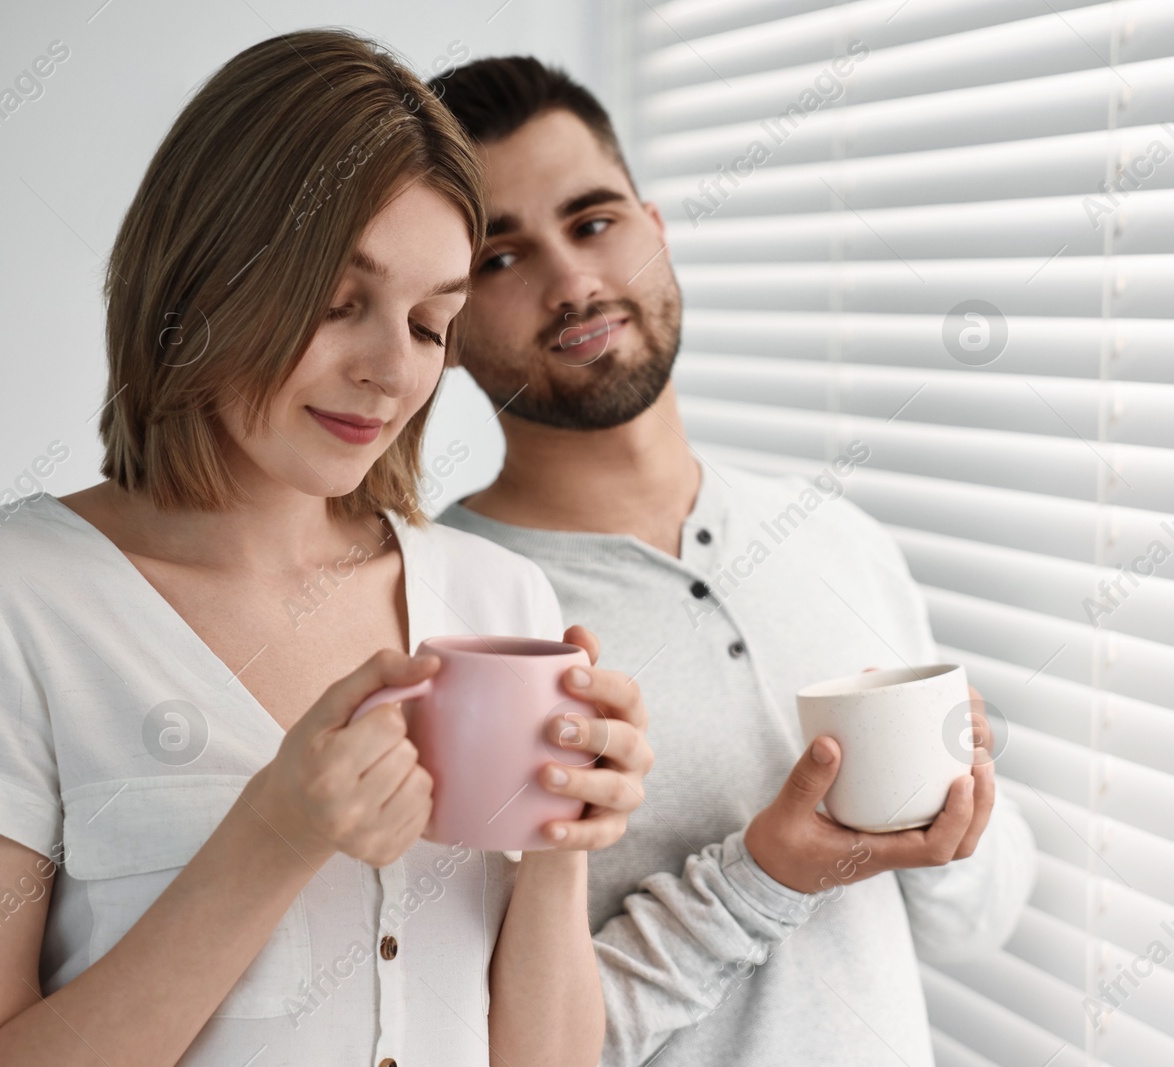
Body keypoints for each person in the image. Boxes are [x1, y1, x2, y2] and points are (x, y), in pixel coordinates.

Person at [0, 31, 652, 1067]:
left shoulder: (497, 596)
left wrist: (563, 848)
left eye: (432, 324)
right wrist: (272, 839)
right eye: (343, 304)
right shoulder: (15, 603)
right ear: (202, 274)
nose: (391, 369)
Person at [428, 57, 1037, 1067]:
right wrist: (764, 874)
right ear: (440, 321)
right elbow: (496, 1046)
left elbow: (975, 923)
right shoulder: (453, 616)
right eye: (501, 259)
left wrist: (949, 821)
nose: (572, 281)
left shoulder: (836, 537)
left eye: (592, 222)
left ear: (656, 231)